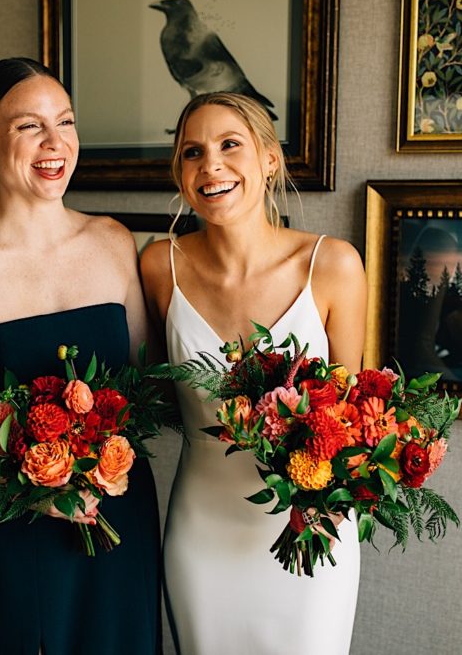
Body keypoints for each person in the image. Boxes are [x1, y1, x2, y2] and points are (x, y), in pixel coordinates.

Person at [0, 57, 161, 654]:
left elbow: (143, 384)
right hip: (20, 516)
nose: (55, 143)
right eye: (28, 126)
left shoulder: (113, 241)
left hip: (120, 507)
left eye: (65, 122)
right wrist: (25, 486)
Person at [140, 92, 366, 654]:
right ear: (180, 172)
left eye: (229, 145)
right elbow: (148, 396)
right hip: (202, 532)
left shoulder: (333, 265)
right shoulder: (157, 266)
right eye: (193, 152)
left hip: (311, 529)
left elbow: (355, 421)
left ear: (269, 159)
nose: (210, 165)